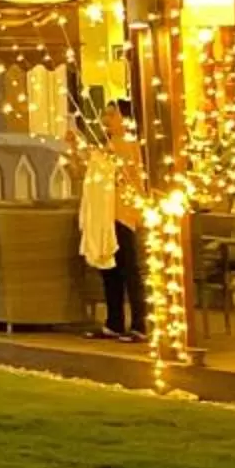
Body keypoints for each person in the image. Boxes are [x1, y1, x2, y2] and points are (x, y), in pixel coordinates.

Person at [79, 101, 149, 341]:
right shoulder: (110, 145)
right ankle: (114, 322)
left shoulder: (128, 145)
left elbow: (113, 168)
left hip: (122, 214)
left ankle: (140, 324)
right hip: (107, 215)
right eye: (105, 114)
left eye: (111, 114)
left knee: (129, 270)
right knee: (111, 269)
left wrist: (88, 151)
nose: (106, 119)